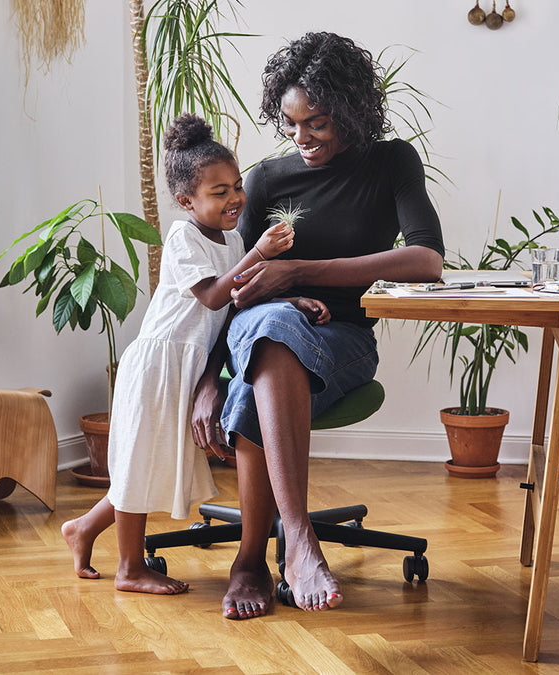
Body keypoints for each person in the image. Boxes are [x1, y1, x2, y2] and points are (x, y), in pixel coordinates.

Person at [190, 32, 445, 618]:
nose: (301, 139)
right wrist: (208, 377)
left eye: (318, 124)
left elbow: (427, 260)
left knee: (270, 340)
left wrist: (301, 270)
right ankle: (298, 543)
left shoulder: (391, 163)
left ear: (352, 114)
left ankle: (253, 559)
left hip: (344, 341)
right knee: (271, 328)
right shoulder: (265, 180)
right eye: (289, 124)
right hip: (257, 335)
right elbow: (234, 288)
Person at [61, 113, 329, 594]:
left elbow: (241, 297)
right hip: (159, 363)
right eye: (219, 192)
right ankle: (128, 568)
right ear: (187, 201)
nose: (235, 199)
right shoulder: (183, 237)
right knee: (139, 464)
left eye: (237, 186)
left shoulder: (234, 240)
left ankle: (83, 528)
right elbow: (212, 295)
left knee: (151, 460)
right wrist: (261, 255)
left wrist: (288, 298)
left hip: (189, 365)